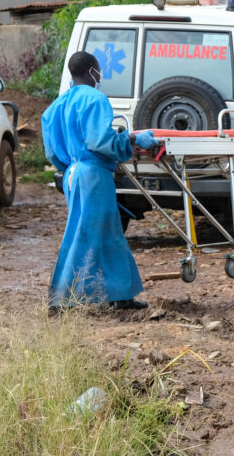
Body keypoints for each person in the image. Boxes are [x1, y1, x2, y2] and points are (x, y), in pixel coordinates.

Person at [43, 51, 158, 311]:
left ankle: (122, 295)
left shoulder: (58, 104)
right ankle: (60, 300)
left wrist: (70, 168)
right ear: (93, 71)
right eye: (99, 71)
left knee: (110, 233)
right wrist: (132, 139)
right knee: (84, 234)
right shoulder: (95, 99)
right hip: (93, 176)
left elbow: (51, 150)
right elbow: (100, 142)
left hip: (74, 174)